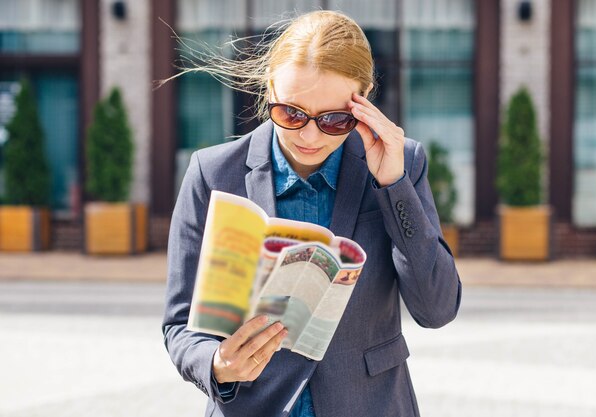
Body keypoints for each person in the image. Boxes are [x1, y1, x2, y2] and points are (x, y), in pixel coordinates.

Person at [162, 10, 462, 417]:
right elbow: (180, 327)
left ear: (364, 99)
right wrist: (216, 364)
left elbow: (437, 309)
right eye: (291, 113)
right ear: (269, 86)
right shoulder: (212, 172)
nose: (308, 136)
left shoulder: (402, 163)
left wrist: (394, 186)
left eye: (334, 120)